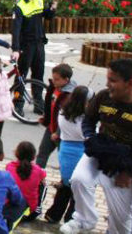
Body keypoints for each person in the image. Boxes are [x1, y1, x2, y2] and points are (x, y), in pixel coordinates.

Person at [60, 59, 132, 234]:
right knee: (78, 179)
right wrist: (90, 137)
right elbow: (89, 120)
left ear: (130, 83)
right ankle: (84, 220)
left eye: (113, 80)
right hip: (99, 152)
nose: (107, 84)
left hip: (123, 167)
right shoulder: (103, 96)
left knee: (120, 221)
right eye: (107, 79)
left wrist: (130, 172)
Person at [11, 0, 58, 115]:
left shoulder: (39, 0)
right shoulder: (19, 5)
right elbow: (16, 30)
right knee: (22, 76)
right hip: (26, 46)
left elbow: (47, 16)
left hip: (39, 44)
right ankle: (17, 103)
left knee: (38, 74)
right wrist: (15, 49)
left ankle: (38, 104)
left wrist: (53, 7)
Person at [46, 86, 92, 225]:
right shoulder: (86, 119)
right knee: (77, 189)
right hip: (81, 152)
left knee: (66, 183)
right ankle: (70, 218)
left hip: (65, 150)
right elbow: (89, 135)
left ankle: (54, 214)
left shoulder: (63, 113)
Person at [37, 64, 77, 168]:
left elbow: (66, 117)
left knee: (63, 158)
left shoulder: (69, 96)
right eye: (53, 78)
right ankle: (38, 179)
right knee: (42, 153)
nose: (53, 81)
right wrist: (46, 118)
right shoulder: (56, 87)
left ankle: (65, 181)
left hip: (62, 133)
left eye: (57, 79)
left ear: (66, 80)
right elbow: (51, 106)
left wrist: (58, 133)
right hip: (51, 128)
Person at [6, 141, 47, 222]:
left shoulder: (9, 167)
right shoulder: (38, 170)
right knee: (43, 184)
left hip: (9, 210)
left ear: (16, 154)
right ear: (34, 156)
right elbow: (43, 179)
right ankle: (38, 208)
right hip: (28, 213)